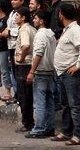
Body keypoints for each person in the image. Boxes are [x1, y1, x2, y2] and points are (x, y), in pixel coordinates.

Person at [51, 3, 80, 146]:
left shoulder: (75, 30)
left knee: (75, 104)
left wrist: (78, 65)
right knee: (65, 104)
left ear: (61, 14)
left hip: (70, 73)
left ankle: (79, 135)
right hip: (62, 72)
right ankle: (66, 131)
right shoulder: (67, 30)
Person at [26, 9, 56, 139]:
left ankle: (39, 129)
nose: (34, 20)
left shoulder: (41, 34)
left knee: (39, 103)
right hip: (50, 72)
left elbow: (38, 53)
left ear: (41, 20)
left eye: (36, 18)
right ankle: (49, 127)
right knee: (49, 102)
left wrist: (32, 71)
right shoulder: (51, 34)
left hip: (41, 72)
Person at [14, 7, 37, 133]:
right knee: (28, 95)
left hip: (24, 65)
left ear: (23, 17)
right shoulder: (32, 28)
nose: (15, 17)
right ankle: (29, 121)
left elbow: (26, 45)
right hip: (30, 64)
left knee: (24, 96)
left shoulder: (24, 29)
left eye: (17, 15)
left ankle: (27, 122)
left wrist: (21, 58)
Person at [6, 0, 25, 98]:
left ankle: (20, 95)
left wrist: (9, 32)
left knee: (19, 72)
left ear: (22, 1)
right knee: (13, 71)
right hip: (10, 45)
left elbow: (21, 29)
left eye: (15, 0)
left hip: (18, 45)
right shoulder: (12, 13)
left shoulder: (23, 13)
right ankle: (16, 93)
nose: (13, 1)